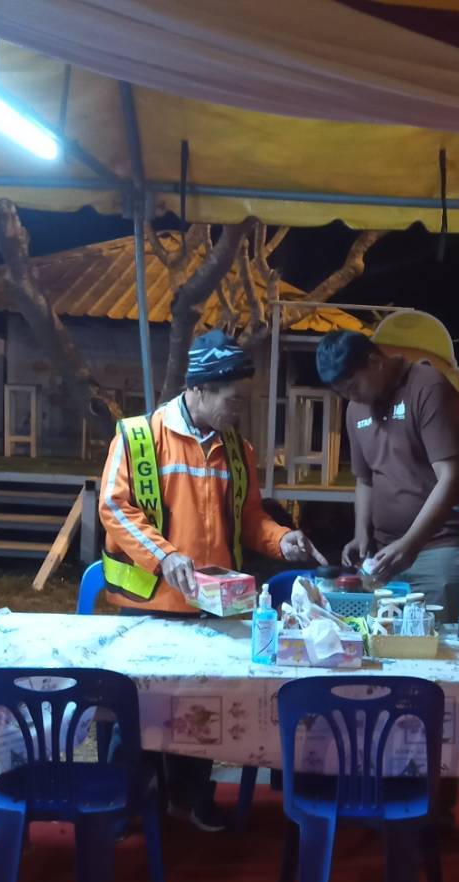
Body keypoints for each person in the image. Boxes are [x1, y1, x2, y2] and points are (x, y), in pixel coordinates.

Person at [99, 329, 324, 830]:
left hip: (212, 606)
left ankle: (191, 798)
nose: (238, 409)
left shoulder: (237, 450)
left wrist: (282, 539)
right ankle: (126, 805)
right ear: (198, 389)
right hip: (149, 605)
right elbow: (114, 506)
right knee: (134, 708)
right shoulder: (138, 436)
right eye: (232, 399)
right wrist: (164, 556)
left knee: (201, 710)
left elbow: (250, 520)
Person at [314, 328, 459, 612]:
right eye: (342, 392)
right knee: (379, 635)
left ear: (375, 362)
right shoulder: (355, 409)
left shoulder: (428, 387)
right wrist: (361, 533)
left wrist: (411, 544)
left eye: (353, 386)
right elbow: (365, 480)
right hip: (384, 557)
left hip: (437, 551)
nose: (351, 397)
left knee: (437, 638)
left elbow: (451, 476)